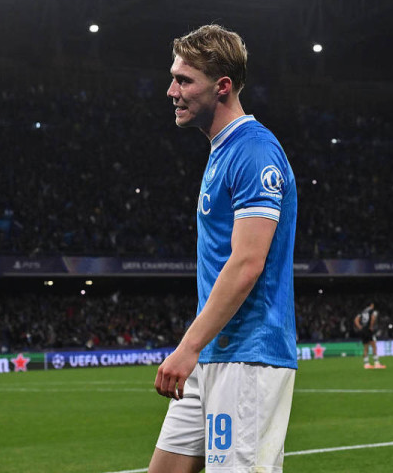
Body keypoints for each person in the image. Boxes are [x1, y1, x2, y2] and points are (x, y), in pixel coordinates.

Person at [149, 24, 298, 473]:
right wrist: (197, 347)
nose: (172, 91)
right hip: (214, 351)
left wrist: (187, 346)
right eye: (173, 78)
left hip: (248, 354)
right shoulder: (222, 150)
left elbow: (248, 262)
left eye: (184, 80)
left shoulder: (254, 151)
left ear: (222, 86)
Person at [354, 303, 385, 369]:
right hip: (368, 330)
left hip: (363, 330)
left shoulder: (362, 311)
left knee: (366, 347)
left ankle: (366, 364)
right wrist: (371, 326)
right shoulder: (373, 311)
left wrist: (360, 327)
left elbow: (356, 320)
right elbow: (373, 318)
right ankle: (376, 363)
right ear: (371, 305)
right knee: (374, 346)